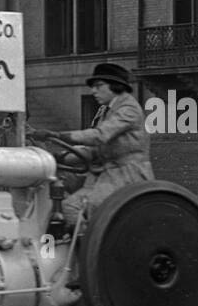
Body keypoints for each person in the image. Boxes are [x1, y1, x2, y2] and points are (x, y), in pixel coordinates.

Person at [29, 62, 153, 225]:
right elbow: (94, 152)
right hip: (109, 175)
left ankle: (90, 247)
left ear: (115, 86)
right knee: (64, 200)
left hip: (128, 176)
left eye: (99, 86)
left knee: (72, 207)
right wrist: (57, 158)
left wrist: (56, 135)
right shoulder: (108, 110)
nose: (93, 91)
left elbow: (99, 136)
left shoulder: (128, 109)